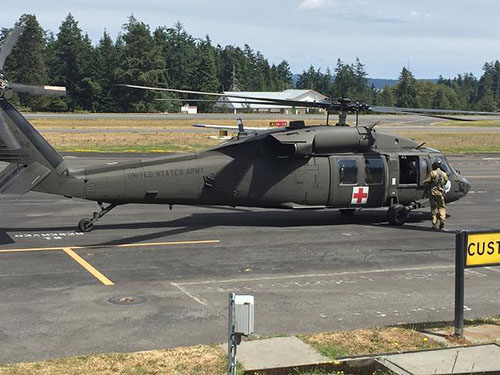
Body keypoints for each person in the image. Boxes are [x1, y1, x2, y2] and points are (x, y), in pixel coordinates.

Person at [423, 160, 449, 230]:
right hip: (440, 192)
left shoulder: (432, 173)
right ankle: (442, 219)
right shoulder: (444, 174)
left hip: (432, 192)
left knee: (433, 207)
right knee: (441, 207)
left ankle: (434, 222)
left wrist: (425, 184)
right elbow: (445, 182)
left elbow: (426, 182)